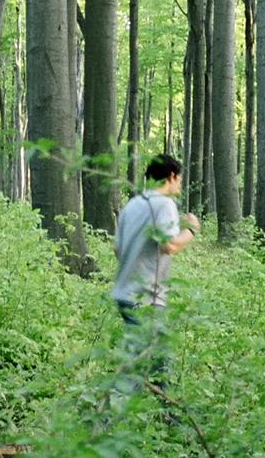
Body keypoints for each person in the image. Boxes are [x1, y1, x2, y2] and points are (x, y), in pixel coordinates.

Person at [111, 153, 199, 394]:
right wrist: (191, 230)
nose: (180, 184)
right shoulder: (164, 204)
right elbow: (168, 246)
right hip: (146, 299)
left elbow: (117, 249)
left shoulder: (133, 204)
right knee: (137, 371)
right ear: (171, 176)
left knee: (159, 363)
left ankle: (171, 419)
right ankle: (100, 422)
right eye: (179, 179)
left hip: (124, 294)